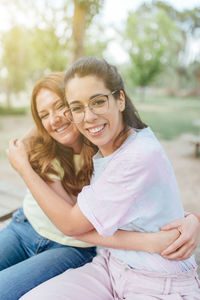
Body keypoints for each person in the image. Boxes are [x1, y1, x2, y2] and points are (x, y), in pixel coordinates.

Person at [7, 58, 200, 299]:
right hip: (44, 233)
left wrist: (191, 220)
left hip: (94, 254)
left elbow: (73, 224)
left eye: (61, 107)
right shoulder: (63, 142)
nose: (88, 116)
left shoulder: (111, 145)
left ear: (120, 100)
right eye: (77, 107)